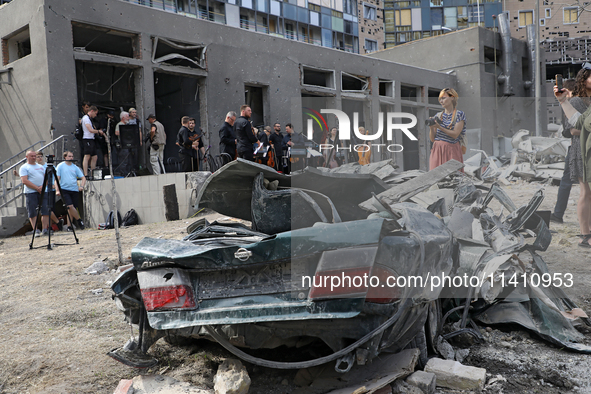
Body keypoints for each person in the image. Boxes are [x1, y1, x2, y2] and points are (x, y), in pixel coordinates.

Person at [554, 64, 591, 247]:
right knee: (584, 191)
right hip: (581, 151)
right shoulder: (576, 101)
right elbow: (572, 129)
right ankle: (585, 234)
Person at [551, 78, 576, 224]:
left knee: (566, 182)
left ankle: (558, 214)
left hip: (576, 149)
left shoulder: (569, 104)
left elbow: (567, 132)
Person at [428, 88, 466, 170]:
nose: (441, 101)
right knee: (435, 176)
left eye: (443, 98)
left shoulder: (459, 114)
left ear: (452, 97)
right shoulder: (438, 115)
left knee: (453, 177)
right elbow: (432, 139)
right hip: (437, 149)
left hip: (451, 149)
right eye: (440, 99)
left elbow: (455, 134)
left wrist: (440, 127)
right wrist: (431, 128)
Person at [20, 151, 50, 236]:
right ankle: (36, 230)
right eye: (32, 156)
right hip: (31, 192)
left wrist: (42, 187)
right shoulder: (24, 167)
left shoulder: (41, 167)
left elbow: (46, 179)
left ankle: (45, 229)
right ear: (27, 157)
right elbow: (24, 180)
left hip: (43, 191)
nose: (34, 157)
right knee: (32, 210)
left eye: (34, 156)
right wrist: (36, 188)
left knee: (45, 209)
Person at [56, 151, 86, 231]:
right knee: (69, 206)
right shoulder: (60, 166)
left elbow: (83, 177)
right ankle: (79, 220)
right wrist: (57, 190)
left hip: (74, 189)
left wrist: (81, 186)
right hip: (64, 189)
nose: (71, 158)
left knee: (71, 209)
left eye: (72, 156)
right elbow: (57, 179)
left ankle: (69, 226)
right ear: (65, 157)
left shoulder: (75, 167)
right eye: (69, 156)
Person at [36, 151, 63, 231]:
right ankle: (54, 224)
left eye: (41, 156)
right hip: (39, 189)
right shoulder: (35, 167)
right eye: (38, 157)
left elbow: (55, 178)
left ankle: (51, 226)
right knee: (44, 210)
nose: (40, 158)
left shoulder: (48, 166)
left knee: (49, 209)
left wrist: (55, 185)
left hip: (49, 189)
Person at [81, 105, 105, 178]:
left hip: (92, 139)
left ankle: (93, 173)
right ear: (92, 111)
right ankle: (85, 174)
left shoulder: (90, 119)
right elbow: (90, 130)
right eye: (95, 113)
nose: (95, 115)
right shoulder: (86, 118)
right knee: (87, 156)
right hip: (87, 138)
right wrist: (98, 131)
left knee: (94, 157)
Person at [115, 111, 130, 175]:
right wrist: (125, 132)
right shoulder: (119, 124)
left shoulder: (127, 125)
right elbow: (116, 132)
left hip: (128, 144)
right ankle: (123, 173)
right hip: (122, 145)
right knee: (123, 160)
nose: (128, 118)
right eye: (127, 117)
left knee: (127, 160)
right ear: (123, 118)